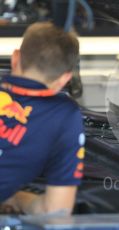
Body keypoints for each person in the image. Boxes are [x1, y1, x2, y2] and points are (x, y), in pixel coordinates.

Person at [0, 22, 84, 215]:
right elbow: (55, 212)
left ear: (15, 58)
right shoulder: (64, 115)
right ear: (64, 79)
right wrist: (17, 197)